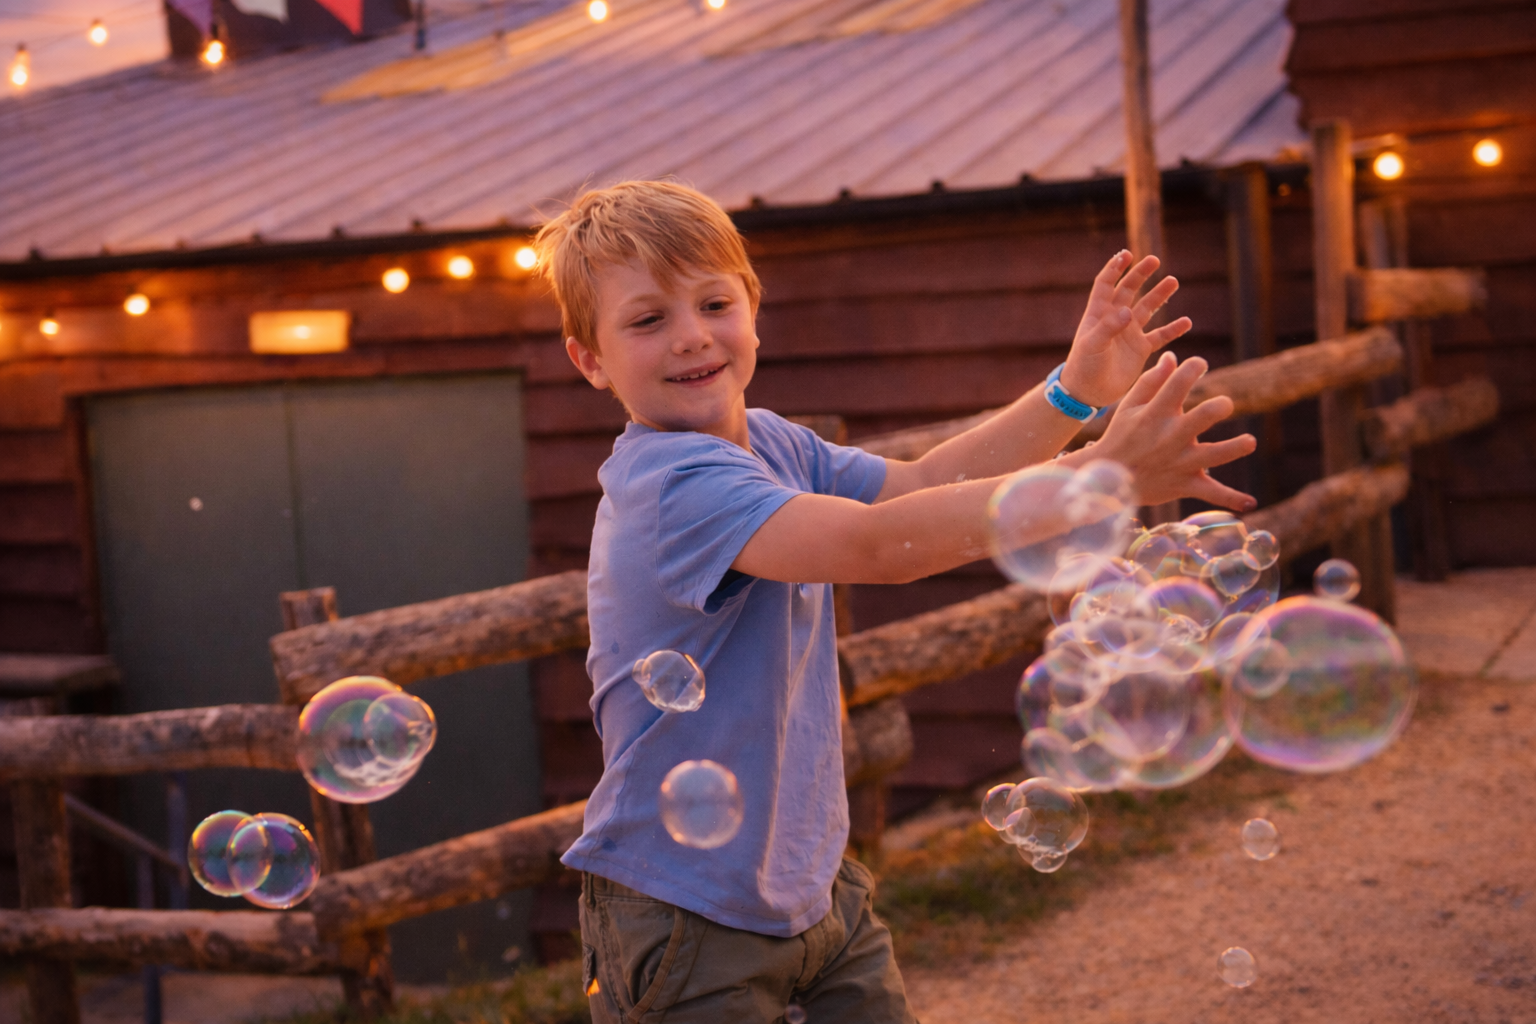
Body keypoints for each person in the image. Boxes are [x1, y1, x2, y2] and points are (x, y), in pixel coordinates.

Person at [535, 179, 1256, 1023]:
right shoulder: (671, 483)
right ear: (590, 360)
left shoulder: (767, 440)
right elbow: (876, 548)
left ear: (753, 307)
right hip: (685, 910)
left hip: (812, 887)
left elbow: (918, 485)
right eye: (648, 320)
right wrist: (1105, 477)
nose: (692, 336)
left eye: (712, 302)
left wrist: (1075, 390)